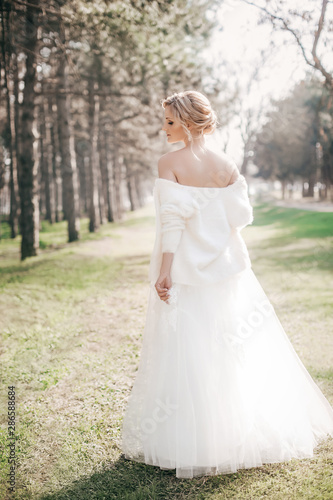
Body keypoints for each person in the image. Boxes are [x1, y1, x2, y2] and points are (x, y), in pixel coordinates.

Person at [121, 90, 333, 479]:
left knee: (193, 350)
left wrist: (165, 271)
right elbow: (241, 217)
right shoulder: (225, 165)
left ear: (186, 123)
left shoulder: (169, 162)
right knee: (233, 347)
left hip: (186, 269)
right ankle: (235, 434)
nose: (163, 127)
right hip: (229, 269)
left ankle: (198, 438)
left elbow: (172, 222)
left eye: (169, 121)